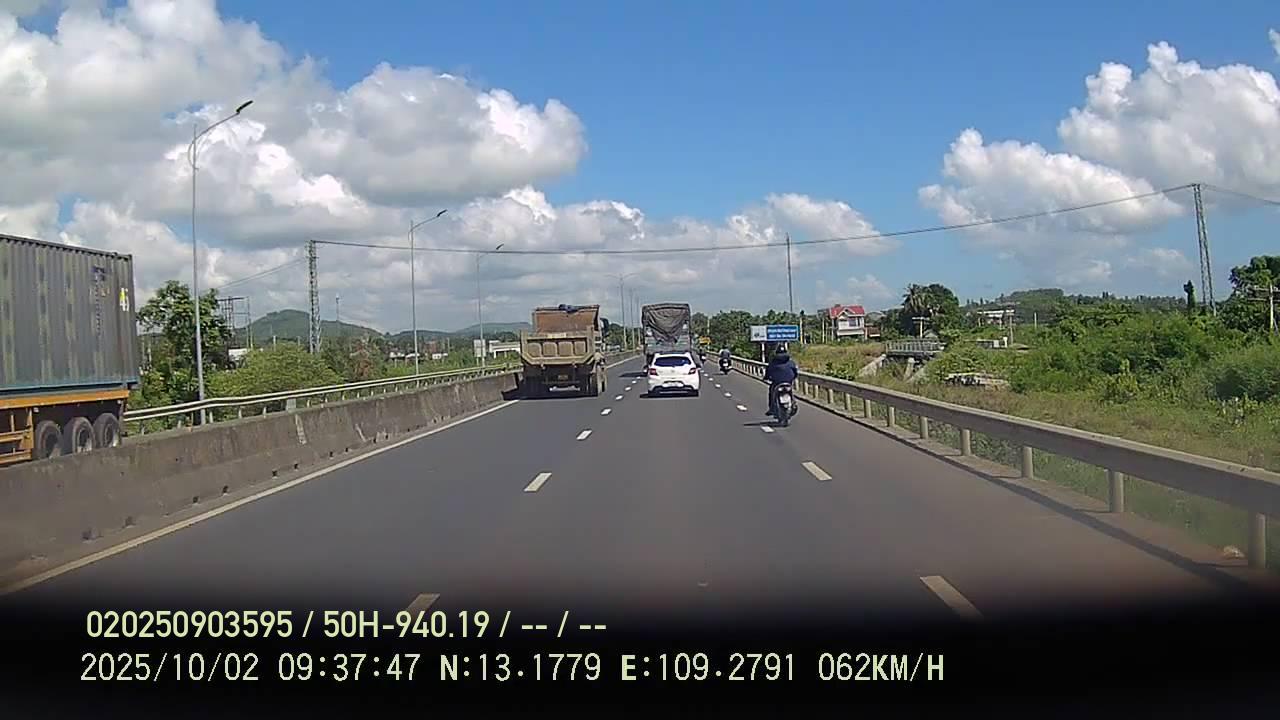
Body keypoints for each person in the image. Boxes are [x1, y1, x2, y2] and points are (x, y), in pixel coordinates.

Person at [765, 344, 798, 417]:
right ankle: (794, 404)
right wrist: (793, 377)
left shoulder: (773, 362)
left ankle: (771, 408)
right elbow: (795, 371)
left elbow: (768, 371)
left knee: (771, 392)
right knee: (791, 392)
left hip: (777, 383)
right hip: (788, 382)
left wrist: (766, 377)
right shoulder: (790, 362)